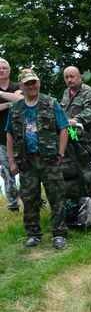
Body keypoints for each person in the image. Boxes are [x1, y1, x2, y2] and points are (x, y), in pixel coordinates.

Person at [6, 68, 68, 248]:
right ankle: (33, 234)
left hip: (50, 159)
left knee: (57, 197)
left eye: (34, 82)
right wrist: (11, 161)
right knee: (29, 199)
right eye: (27, 84)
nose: (31, 86)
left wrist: (61, 153)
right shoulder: (16, 108)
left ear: (39, 83)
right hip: (26, 161)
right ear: (21, 86)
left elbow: (63, 128)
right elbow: (9, 134)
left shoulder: (51, 103)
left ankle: (59, 234)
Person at [60, 66, 91, 227]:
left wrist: (77, 120)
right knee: (71, 173)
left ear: (79, 77)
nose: (70, 80)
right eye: (67, 77)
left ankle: (90, 211)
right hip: (70, 137)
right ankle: (72, 211)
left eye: (72, 76)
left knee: (86, 173)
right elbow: (62, 111)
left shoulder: (87, 91)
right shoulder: (65, 93)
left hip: (85, 140)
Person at [0, 58, 23, 211]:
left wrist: (2, 95)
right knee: (7, 171)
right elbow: (16, 100)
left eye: (4, 68)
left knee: (28, 169)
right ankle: (13, 204)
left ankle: (32, 199)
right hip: (1, 138)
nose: (2, 70)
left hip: (21, 136)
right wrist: (10, 102)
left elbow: (22, 99)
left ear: (9, 70)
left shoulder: (18, 86)